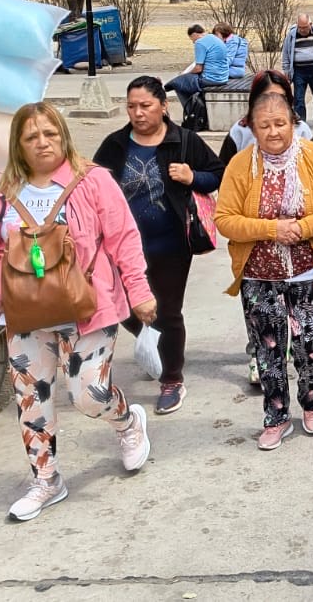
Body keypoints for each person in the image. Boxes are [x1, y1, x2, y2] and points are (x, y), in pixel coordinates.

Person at [0, 102, 156, 521]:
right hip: (26, 316)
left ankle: (126, 422)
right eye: (32, 137)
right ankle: (46, 480)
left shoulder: (94, 182)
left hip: (90, 308)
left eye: (50, 133)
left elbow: (124, 237)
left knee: (88, 395)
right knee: (32, 400)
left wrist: (139, 292)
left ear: (63, 135)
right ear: (19, 146)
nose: (42, 143)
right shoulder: (4, 196)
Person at [216, 89, 313, 450]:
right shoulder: (241, 165)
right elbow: (225, 219)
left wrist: (303, 228)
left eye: (280, 123)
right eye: (264, 125)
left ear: (294, 123)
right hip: (259, 277)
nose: (273, 132)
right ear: (251, 128)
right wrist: (271, 229)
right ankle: (275, 417)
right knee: (268, 351)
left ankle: (311, 402)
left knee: (312, 346)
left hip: (309, 273)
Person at [93, 77, 224, 416]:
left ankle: (172, 378)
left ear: (164, 106)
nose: (138, 113)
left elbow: (218, 173)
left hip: (170, 244)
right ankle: (151, 340)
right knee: (122, 306)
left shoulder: (184, 141)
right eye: (131, 106)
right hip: (122, 248)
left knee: (167, 311)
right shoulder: (116, 145)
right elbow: (93, 185)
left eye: (145, 106)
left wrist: (192, 176)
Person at [215, 70, 313, 386]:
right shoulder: (240, 131)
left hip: (298, 237)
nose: (272, 110)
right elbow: (224, 173)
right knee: (258, 306)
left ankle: (300, 358)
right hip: (255, 237)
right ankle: (260, 355)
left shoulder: (303, 131)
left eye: (279, 99)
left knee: (296, 307)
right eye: (265, 99)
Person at [170, 24, 231, 130]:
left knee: (178, 85)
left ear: (194, 35)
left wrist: (185, 75)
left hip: (211, 79)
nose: (193, 42)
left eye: (192, 40)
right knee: (186, 83)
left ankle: (192, 115)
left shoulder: (200, 43)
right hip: (223, 77)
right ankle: (197, 110)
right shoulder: (214, 38)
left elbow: (198, 68)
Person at [279, 14, 313, 126]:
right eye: (300, 27)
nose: (302, 30)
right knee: (298, 98)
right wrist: (286, 70)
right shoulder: (292, 35)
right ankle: (301, 122)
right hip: (299, 71)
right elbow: (286, 53)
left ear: (310, 24)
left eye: (305, 27)